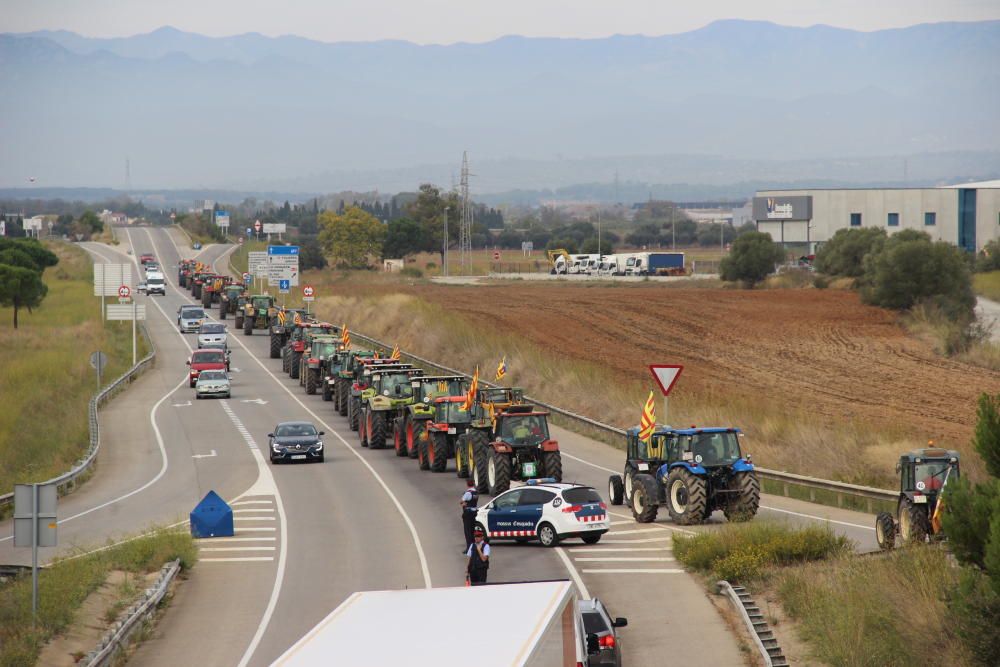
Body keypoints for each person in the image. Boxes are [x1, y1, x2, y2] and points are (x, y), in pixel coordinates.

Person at [460, 479, 478, 551]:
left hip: (468, 513)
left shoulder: (468, 493)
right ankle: (473, 546)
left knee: (467, 531)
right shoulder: (476, 492)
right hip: (474, 512)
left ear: (467, 484)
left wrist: (464, 503)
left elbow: (461, 501)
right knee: (472, 530)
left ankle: (469, 548)